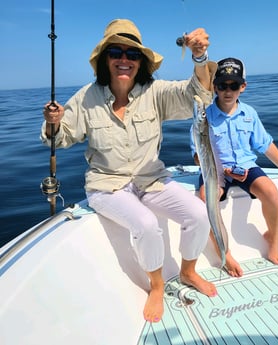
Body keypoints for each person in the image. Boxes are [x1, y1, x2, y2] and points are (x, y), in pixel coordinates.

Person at [42, 19, 219, 323]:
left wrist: (200, 58)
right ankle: (157, 284)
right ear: (104, 59)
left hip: (151, 179)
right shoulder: (85, 97)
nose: (124, 59)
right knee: (147, 225)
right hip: (105, 185)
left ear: (142, 62)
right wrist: (53, 121)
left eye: (132, 54)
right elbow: (61, 138)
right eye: (116, 52)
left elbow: (198, 95)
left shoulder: (156, 92)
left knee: (199, 214)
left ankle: (188, 272)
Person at [191, 57, 278, 276]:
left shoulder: (249, 114)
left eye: (233, 85)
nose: (227, 90)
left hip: (244, 167)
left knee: (270, 191)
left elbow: (265, 144)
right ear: (215, 87)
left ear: (242, 87)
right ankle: (225, 254)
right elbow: (197, 157)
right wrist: (202, 151)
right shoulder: (204, 118)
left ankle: (273, 235)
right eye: (222, 85)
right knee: (207, 200)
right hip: (214, 170)